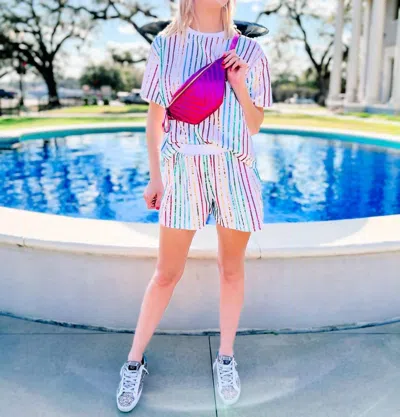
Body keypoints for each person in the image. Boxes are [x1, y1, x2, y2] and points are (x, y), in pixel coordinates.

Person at [116, 0, 272, 412]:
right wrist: (155, 176)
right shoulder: (165, 45)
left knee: (231, 270)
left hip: (234, 168)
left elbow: (255, 124)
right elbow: (154, 119)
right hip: (182, 168)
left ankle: (226, 358)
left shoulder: (250, 50)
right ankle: (134, 361)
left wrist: (239, 83)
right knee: (166, 274)